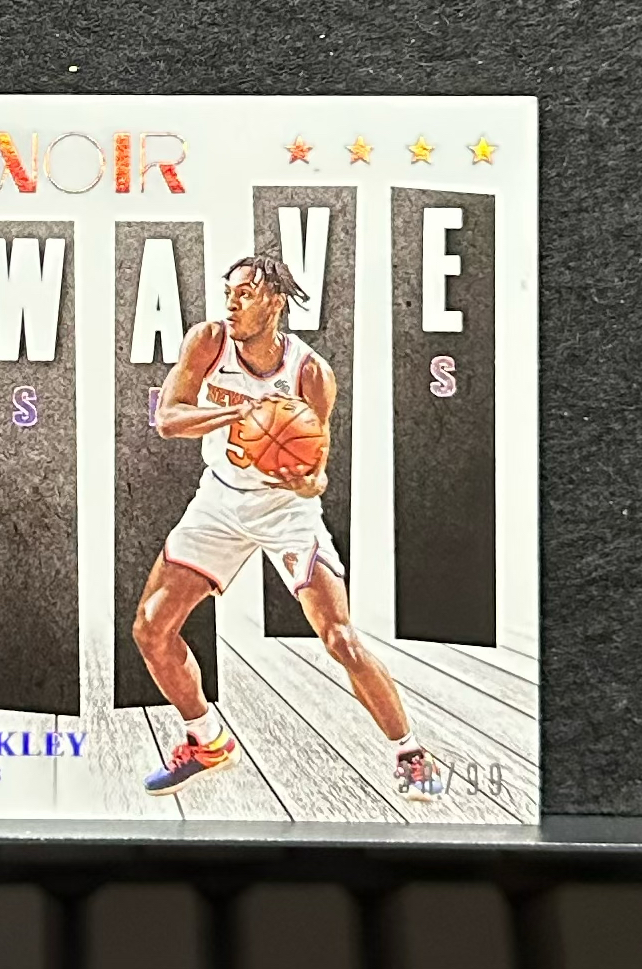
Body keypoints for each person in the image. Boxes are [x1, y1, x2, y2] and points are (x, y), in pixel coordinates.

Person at [133, 254, 442, 802]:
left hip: (283, 510)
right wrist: (241, 415)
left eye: (246, 294)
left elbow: (316, 476)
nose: (232, 304)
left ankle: (410, 753)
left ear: (274, 302)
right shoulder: (208, 341)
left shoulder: (310, 373)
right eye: (229, 293)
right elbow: (167, 418)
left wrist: (302, 480)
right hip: (220, 501)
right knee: (151, 629)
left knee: (340, 638)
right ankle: (207, 741)